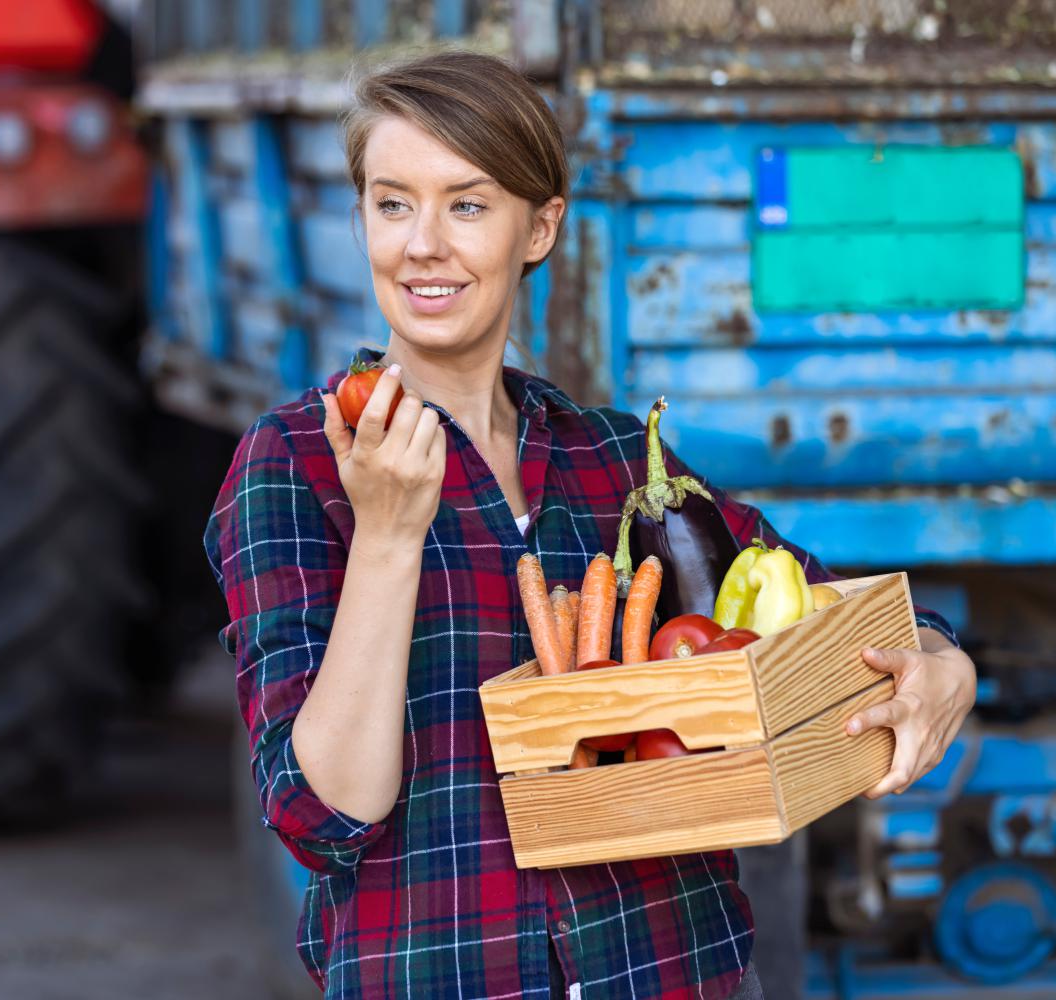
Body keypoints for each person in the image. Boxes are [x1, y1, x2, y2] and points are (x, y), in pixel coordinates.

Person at [202, 51, 976, 999]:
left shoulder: (613, 461)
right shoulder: (294, 464)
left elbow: (811, 605)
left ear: (541, 227)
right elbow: (325, 813)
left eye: (469, 204)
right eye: (392, 202)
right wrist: (390, 536)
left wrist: (943, 659)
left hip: (671, 971)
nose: (423, 245)